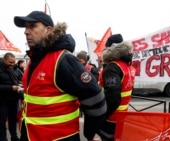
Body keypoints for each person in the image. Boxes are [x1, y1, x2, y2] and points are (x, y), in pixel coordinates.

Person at [14, 11, 107, 141]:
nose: (26, 31)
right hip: (32, 134)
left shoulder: (63, 59)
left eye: (32, 26)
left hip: (59, 137)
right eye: (25, 27)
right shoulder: (33, 59)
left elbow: (95, 97)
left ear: (48, 30)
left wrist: (90, 133)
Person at [98, 34, 135, 141]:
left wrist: (102, 116)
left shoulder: (113, 67)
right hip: (122, 115)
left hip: (111, 117)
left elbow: (113, 98)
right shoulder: (129, 66)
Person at [0, 52, 23, 141]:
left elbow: (17, 80)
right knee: (2, 122)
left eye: (14, 62)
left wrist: (19, 85)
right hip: (2, 101)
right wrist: (10, 88)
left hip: (13, 100)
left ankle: (14, 137)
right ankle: (3, 138)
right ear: (4, 60)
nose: (12, 64)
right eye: (10, 62)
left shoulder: (15, 69)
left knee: (13, 120)